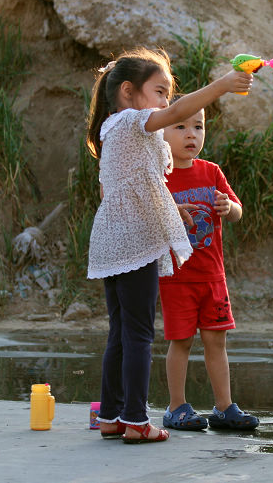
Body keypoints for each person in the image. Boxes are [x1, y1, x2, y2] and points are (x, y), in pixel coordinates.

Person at [86, 47, 252, 444]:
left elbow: (126, 188)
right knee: (139, 336)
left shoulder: (113, 128)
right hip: (135, 243)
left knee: (119, 333)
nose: (165, 102)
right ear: (128, 91)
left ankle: (110, 416)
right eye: (160, 91)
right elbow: (177, 114)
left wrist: (171, 206)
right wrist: (224, 85)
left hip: (111, 240)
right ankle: (137, 421)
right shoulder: (131, 121)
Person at [158, 105, 259, 431]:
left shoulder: (211, 171)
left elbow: (237, 212)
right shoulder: (160, 177)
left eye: (198, 127)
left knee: (217, 342)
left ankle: (224, 407)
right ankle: (176, 407)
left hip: (212, 277)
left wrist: (229, 207)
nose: (191, 134)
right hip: (177, 278)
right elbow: (150, 220)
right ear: (161, 132)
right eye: (181, 127)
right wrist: (171, 209)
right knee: (182, 341)